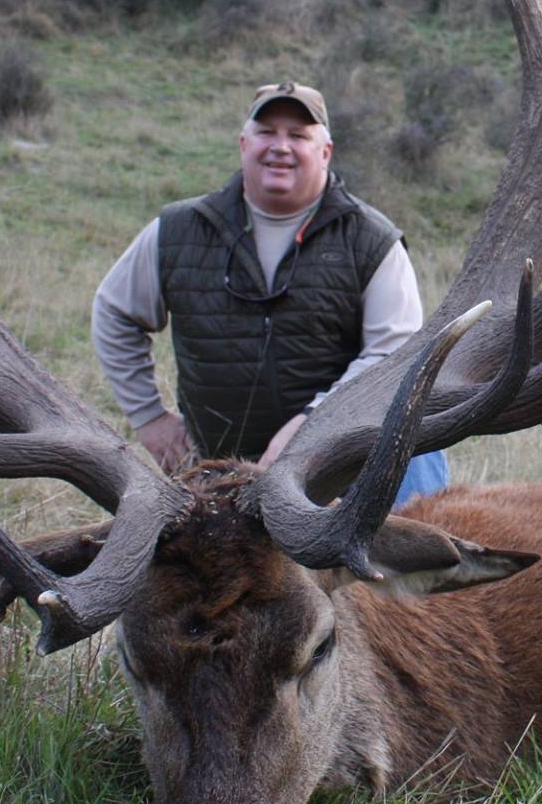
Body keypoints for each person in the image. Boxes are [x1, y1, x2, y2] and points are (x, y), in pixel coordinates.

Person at [92, 81, 448, 503]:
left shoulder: (373, 241)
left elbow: (394, 358)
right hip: (221, 471)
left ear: (325, 152)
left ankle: (414, 531)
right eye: (266, 132)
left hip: (349, 458)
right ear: (244, 144)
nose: (280, 147)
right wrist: (149, 417)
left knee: (408, 426)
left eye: (298, 135)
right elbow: (114, 313)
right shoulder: (176, 231)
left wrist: (313, 424)